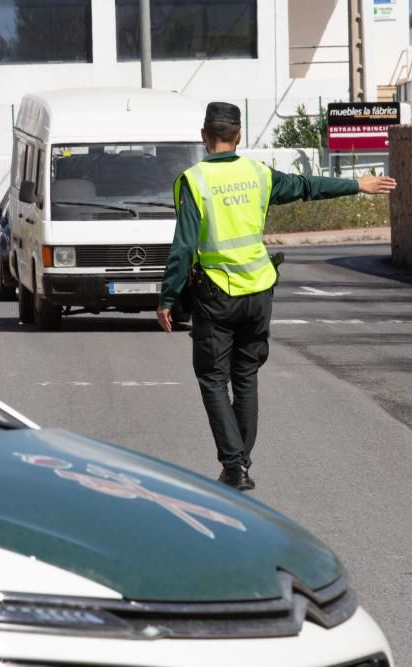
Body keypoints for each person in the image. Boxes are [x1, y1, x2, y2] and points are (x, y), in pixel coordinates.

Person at [156, 102, 396, 492]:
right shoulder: (258, 174)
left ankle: (234, 466)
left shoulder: (193, 180)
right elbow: (306, 187)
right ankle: (240, 465)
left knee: (213, 379)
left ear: (204, 137)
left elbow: (184, 246)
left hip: (217, 294)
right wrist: (357, 184)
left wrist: (167, 298)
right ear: (239, 137)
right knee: (246, 376)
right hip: (259, 292)